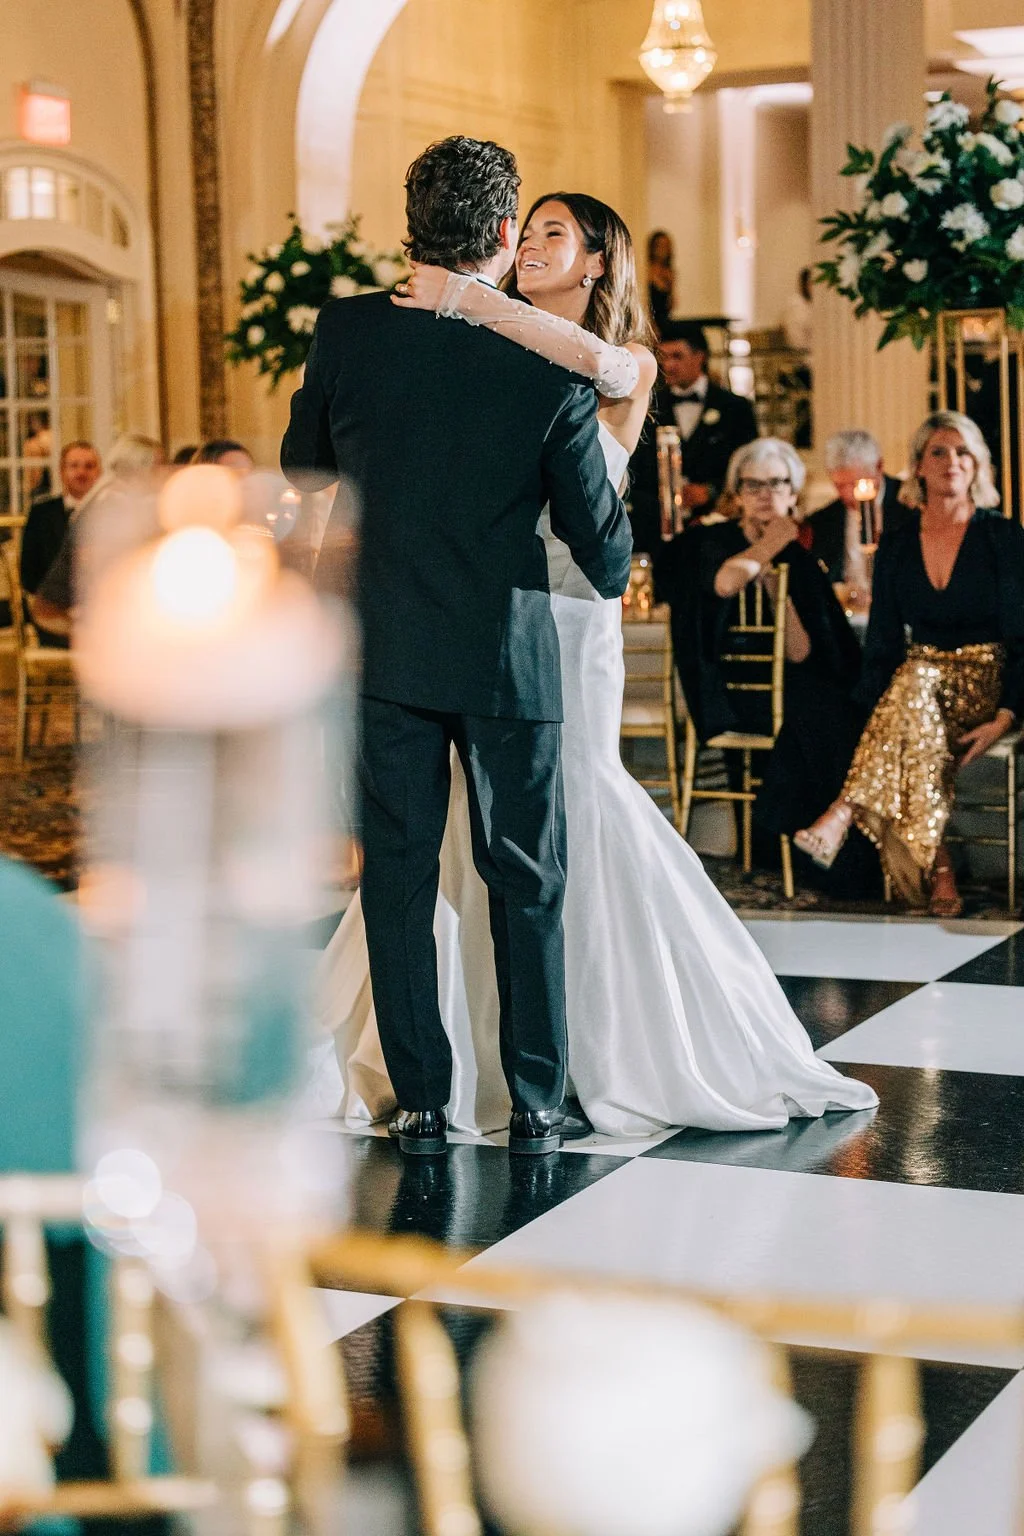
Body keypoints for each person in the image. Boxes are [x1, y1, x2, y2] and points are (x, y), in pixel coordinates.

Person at [311, 190, 877, 1143]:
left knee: (564, 824)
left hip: (571, 622)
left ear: (598, 264)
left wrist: (467, 294)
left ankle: (607, 1046)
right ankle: (483, 1060)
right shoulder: (486, 350)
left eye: (551, 235)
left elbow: (600, 399)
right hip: (483, 621)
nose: (531, 245)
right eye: (523, 232)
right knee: (467, 838)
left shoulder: (616, 364)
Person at [282, 138, 634, 1159]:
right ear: (495, 234)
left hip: (380, 648)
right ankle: (535, 1102)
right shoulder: (542, 357)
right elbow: (601, 558)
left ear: (411, 219)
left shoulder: (344, 332)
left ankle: (425, 1106)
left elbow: (304, 472)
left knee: (391, 881)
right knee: (526, 881)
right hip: (504, 656)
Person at [795, 411, 1024, 917]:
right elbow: (882, 644)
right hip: (917, 689)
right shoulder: (897, 545)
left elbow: (1023, 637)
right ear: (918, 466)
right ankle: (939, 866)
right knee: (909, 697)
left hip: (982, 678)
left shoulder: (1003, 538)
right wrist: (869, 710)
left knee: (911, 686)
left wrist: (1007, 716)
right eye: (939, 452)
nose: (952, 462)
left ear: (979, 465)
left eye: (964, 452)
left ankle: (845, 810)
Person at [673, 438, 868, 868]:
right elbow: (724, 584)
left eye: (776, 484)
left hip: (786, 688)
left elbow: (800, 652)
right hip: (727, 692)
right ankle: (800, 836)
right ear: (737, 494)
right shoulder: (714, 540)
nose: (764, 494)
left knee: (839, 710)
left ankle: (817, 846)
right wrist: (766, 548)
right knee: (824, 714)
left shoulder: (798, 558)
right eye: (753, 485)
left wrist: (772, 575)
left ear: (793, 493)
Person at [627, 320, 759, 555]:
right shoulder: (646, 407)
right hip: (658, 536)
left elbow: (750, 466)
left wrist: (711, 491)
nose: (669, 365)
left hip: (719, 530)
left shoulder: (735, 409)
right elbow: (633, 471)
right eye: (664, 357)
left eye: (677, 356)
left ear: (700, 357)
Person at [29, 434, 165, 640]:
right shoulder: (110, 505)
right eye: (158, 466)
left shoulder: (119, 499)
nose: (163, 474)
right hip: (63, 618)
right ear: (139, 469)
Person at [805, 429, 911, 593]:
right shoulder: (823, 520)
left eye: (856, 484)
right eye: (839, 485)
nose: (848, 495)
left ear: (879, 467)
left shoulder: (909, 504)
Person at [20, 441, 102, 598]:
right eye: (74, 466)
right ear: (62, 471)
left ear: (99, 472)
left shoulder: (112, 514)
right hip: (51, 609)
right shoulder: (41, 513)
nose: (81, 472)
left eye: (89, 466)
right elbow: (29, 573)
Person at [647, 229, 674, 337]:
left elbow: (671, 304)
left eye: (666, 246)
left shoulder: (669, 273)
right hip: (652, 322)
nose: (663, 250)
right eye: (660, 246)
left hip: (665, 321)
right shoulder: (647, 271)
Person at [781, 266, 813, 353]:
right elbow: (796, 338)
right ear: (804, 284)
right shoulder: (795, 305)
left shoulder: (815, 305)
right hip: (801, 355)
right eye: (811, 284)